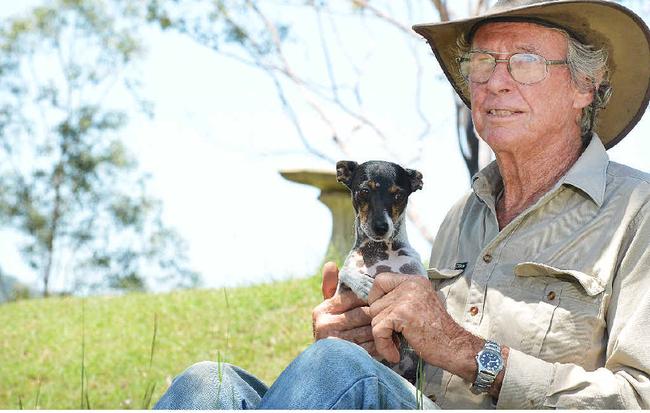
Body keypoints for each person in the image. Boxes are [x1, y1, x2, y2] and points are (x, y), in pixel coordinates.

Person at [155, 0, 650, 409]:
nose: (496, 82)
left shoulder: (637, 211)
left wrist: (467, 351)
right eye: (481, 63)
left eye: (524, 62)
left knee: (336, 370)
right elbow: (422, 379)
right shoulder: (464, 216)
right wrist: (365, 341)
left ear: (585, 86)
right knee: (207, 383)